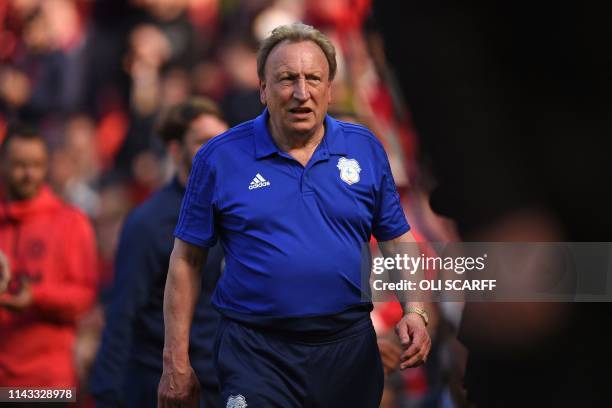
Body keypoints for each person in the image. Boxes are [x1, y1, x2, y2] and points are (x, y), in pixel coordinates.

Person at [158, 23, 431, 408]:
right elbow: (186, 260)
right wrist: (176, 361)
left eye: (313, 78)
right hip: (256, 352)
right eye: (287, 79)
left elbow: (396, 238)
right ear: (263, 90)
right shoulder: (219, 158)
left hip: (347, 350)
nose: (302, 93)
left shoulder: (364, 148)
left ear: (331, 88)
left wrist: (414, 309)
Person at [90, 97, 228, 407]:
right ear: (176, 150)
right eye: (204, 142)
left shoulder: (238, 209)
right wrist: (107, 392)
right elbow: (123, 311)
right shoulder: (148, 223)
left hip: (226, 382)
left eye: (222, 139)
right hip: (168, 387)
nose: (217, 150)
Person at [0, 124, 98, 388]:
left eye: (36, 164)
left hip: (48, 382)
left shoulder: (71, 222)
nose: (28, 174)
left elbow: (84, 296)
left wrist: (35, 296)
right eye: (19, 164)